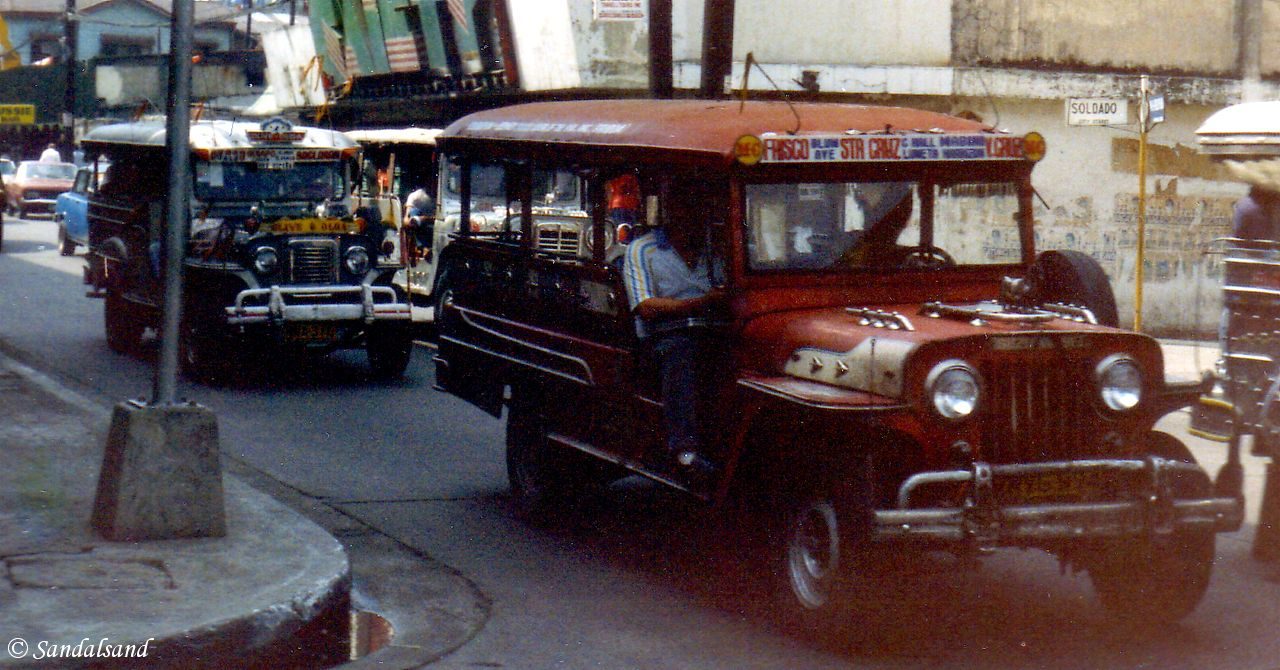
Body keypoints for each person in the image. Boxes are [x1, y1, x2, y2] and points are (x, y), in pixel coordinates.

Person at [622, 193, 725, 482]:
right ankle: (685, 451)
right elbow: (645, 307)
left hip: (712, 329)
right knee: (680, 351)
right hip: (663, 336)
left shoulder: (717, 245)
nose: (692, 215)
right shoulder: (642, 250)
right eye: (685, 207)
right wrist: (701, 302)